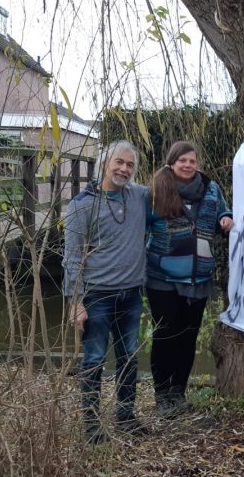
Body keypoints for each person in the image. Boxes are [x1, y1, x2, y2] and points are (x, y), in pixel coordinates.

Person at [64, 140, 149, 444]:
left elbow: (171, 191)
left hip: (131, 295)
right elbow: (72, 257)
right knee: (94, 360)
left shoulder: (139, 197)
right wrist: (75, 302)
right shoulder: (82, 205)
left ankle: (126, 417)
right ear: (104, 163)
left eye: (129, 165)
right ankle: (92, 426)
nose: (124, 169)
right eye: (119, 163)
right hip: (96, 296)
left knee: (129, 358)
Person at [146, 141, 233, 418]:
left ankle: (178, 393)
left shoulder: (211, 189)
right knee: (165, 335)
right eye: (182, 160)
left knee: (188, 337)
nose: (187, 165)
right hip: (163, 278)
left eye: (192, 161)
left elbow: (223, 211)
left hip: (199, 278)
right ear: (171, 163)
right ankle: (161, 395)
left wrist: (226, 219)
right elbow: (141, 225)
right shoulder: (158, 190)